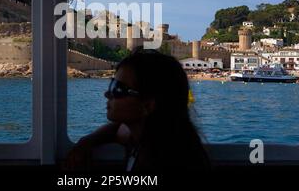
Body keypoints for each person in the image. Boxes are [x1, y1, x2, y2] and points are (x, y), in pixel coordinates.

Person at [66, 48, 211, 171]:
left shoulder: (170, 162)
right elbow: (117, 129)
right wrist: (86, 142)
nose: (107, 94)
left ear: (147, 105)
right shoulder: (146, 134)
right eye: (112, 84)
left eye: (118, 89)